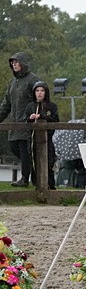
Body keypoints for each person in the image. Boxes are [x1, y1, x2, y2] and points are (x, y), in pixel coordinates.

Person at [0, 52, 43, 187]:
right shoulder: (12, 82)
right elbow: (6, 104)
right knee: (14, 147)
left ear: (23, 63)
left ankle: (25, 178)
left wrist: (38, 115)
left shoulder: (33, 79)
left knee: (25, 150)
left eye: (16, 62)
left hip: (28, 122)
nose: (14, 64)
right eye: (12, 62)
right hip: (14, 122)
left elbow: (41, 98)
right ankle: (32, 173)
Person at [23, 80, 59, 189]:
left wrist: (43, 117)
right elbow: (24, 122)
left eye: (42, 90)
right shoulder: (30, 106)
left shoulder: (52, 106)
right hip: (33, 140)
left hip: (48, 139)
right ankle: (37, 185)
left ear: (46, 92)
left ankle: (50, 185)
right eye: (37, 91)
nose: (39, 93)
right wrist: (30, 118)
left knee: (49, 161)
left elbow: (56, 121)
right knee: (35, 162)